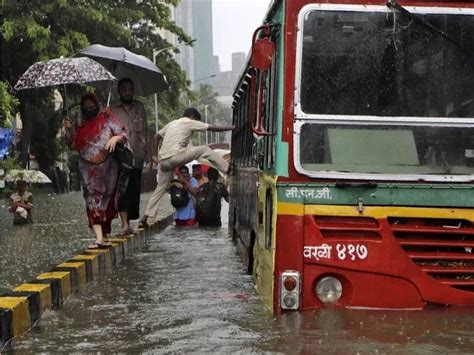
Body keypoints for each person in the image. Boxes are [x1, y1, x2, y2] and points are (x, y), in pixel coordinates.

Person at [138, 107, 234, 228]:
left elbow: (156, 137)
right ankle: (227, 169)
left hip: (163, 161)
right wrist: (231, 128)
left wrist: (155, 157)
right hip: (176, 156)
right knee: (204, 149)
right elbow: (212, 128)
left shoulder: (172, 123)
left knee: (159, 189)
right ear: (193, 118)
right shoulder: (189, 122)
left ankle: (145, 218)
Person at [64, 93, 127, 249]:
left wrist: (115, 138)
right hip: (88, 169)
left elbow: (124, 133)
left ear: (97, 106)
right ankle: (98, 237)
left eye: (92, 107)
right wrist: (68, 130)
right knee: (93, 199)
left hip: (109, 166)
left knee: (108, 199)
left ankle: (104, 236)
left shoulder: (107, 117)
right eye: (86, 109)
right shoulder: (79, 123)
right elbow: (72, 144)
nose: (90, 110)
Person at [110, 78, 148, 235]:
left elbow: (145, 130)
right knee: (122, 189)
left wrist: (150, 155)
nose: (127, 92)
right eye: (124, 89)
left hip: (137, 155)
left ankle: (129, 222)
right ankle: (124, 224)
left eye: (130, 89)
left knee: (134, 190)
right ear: (119, 91)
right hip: (120, 156)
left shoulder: (139, 107)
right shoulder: (111, 109)